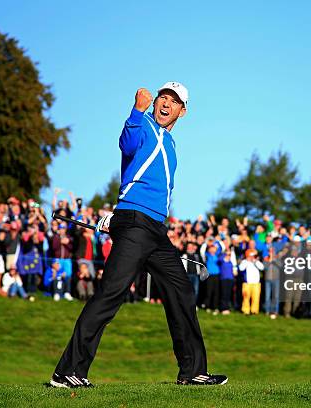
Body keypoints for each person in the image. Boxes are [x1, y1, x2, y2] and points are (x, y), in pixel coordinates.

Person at [50, 83, 227, 387]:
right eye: (163, 98)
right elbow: (127, 144)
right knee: (111, 294)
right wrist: (136, 109)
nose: (165, 103)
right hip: (135, 223)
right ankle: (68, 371)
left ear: (182, 112)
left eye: (173, 101)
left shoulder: (171, 144)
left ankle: (192, 372)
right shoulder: (142, 124)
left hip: (156, 230)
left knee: (181, 292)